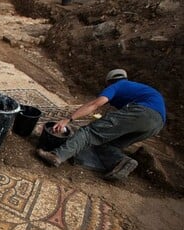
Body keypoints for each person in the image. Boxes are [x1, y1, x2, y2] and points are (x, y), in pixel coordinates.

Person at [36, 69, 166, 180]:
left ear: (109, 82)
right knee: (109, 143)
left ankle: (57, 155)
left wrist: (68, 119)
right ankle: (121, 161)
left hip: (141, 112)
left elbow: (94, 105)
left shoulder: (116, 86)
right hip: (157, 124)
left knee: (89, 132)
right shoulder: (135, 88)